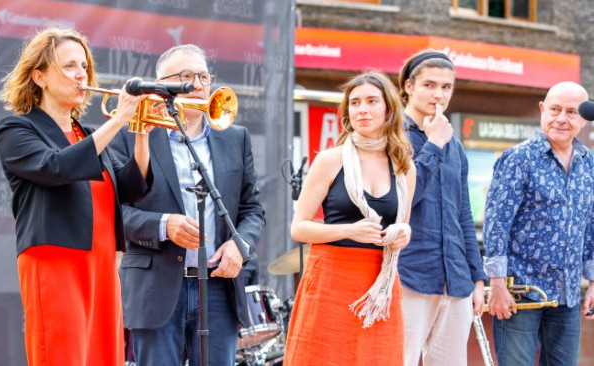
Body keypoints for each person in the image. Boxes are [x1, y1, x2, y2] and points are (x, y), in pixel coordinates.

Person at [0, 27, 153, 366]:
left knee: (103, 356)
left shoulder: (89, 133)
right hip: (55, 258)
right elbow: (57, 167)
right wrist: (121, 119)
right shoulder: (17, 130)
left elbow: (129, 189)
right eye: (69, 66)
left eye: (84, 66)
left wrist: (140, 134)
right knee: (61, 355)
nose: (81, 74)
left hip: (102, 262)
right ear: (40, 77)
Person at [110, 44, 265, 366]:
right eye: (185, 76)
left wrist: (240, 245)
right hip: (156, 288)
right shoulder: (129, 134)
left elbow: (252, 209)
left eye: (203, 75)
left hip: (219, 288)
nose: (196, 84)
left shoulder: (236, 138)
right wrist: (164, 226)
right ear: (160, 85)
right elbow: (114, 211)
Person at [284, 71, 416, 365]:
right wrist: (350, 230)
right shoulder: (330, 159)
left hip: (379, 283)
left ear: (389, 109)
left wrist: (404, 233)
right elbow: (299, 228)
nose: (362, 109)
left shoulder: (404, 165)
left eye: (371, 101)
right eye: (354, 103)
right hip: (331, 279)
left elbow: (400, 226)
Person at [483, 81, 594, 366]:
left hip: (567, 295)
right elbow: (497, 223)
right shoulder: (517, 159)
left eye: (571, 112)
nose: (561, 118)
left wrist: (593, 279)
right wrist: (496, 285)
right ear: (542, 110)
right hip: (520, 295)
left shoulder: (589, 165)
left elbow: (590, 224)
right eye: (555, 109)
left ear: (583, 119)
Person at [396, 49, 487, 366]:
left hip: (456, 278)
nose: (439, 94)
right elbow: (403, 201)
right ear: (409, 86)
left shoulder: (455, 145)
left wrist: (477, 277)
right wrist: (433, 144)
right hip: (409, 274)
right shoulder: (392, 137)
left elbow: (463, 214)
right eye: (430, 85)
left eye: (446, 87)